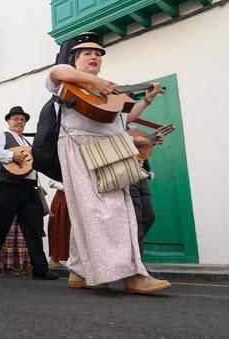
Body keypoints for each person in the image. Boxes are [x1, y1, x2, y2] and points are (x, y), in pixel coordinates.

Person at [46, 32, 170, 294]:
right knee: (109, 210)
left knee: (94, 212)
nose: (94, 56)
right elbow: (55, 72)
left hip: (109, 147)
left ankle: (79, 271)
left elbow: (123, 119)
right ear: (74, 60)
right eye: (87, 53)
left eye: (98, 54)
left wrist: (145, 100)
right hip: (80, 146)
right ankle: (132, 275)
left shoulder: (107, 91)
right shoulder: (67, 81)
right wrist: (94, 80)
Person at [0, 106, 58, 280]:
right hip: (8, 186)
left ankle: (40, 268)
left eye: (22, 119)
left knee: (34, 227)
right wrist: (11, 157)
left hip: (28, 188)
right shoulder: (3, 136)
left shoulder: (28, 143)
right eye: (16, 118)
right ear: (8, 121)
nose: (19, 121)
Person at [47, 180, 70, 269]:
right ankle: (55, 258)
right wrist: (65, 188)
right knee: (60, 227)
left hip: (78, 195)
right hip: (63, 196)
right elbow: (51, 182)